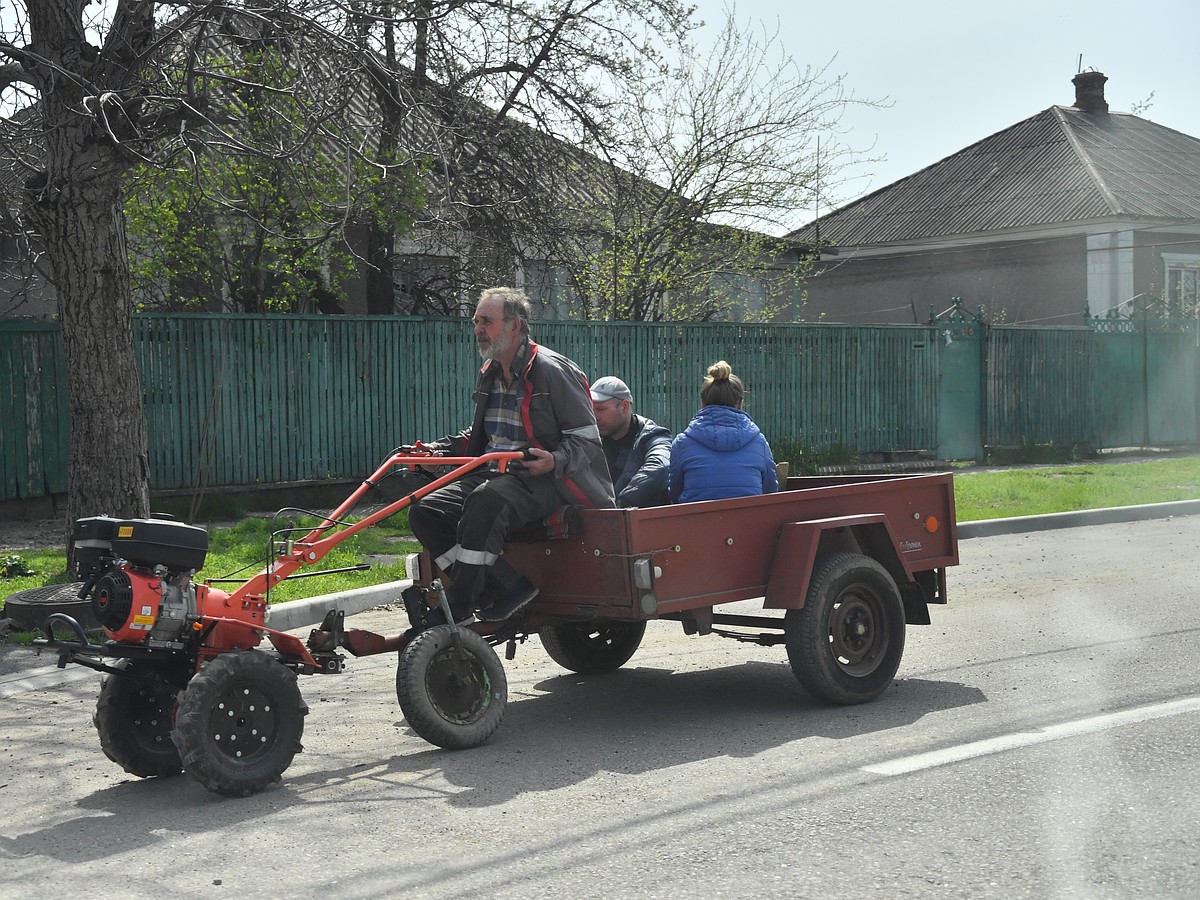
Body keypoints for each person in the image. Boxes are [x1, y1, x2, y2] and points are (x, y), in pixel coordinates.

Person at [407, 287, 614, 624]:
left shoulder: (554, 371)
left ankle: (459, 607)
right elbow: (487, 437)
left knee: (485, 501)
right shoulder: (489, 371)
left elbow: (588, 441)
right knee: (425, 511)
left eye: (486, 322)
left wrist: (553, 460)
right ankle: (505, 584)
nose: (477, 329)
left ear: (515, 326)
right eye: (476, 322)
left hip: (546, 479)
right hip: (495, 474)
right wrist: (437, 450)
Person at [669, 360, 778, 503]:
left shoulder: (682, 444)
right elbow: (770, 492)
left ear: (702, 402)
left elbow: (674, 494)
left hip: (696, 524)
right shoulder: (759, 442)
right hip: (750, 522)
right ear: (741, 403)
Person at [589, 375, 672, 508]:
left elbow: (660, 467)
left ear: (624, 407)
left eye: (601, 409)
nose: (595, 416)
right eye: (591, 410)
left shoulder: (654, 436)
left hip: (644, 524)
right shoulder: (593, 440)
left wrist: (622, 503)